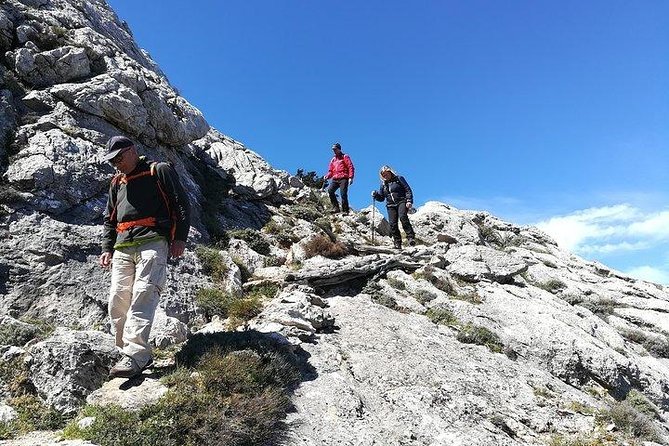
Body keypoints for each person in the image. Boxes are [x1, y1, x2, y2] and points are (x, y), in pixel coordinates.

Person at [98, 136, 190, 378]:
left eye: (119, 158)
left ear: (132, 151)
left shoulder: (158, 170)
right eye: (112, 161)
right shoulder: (117, 182)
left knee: (143, 296)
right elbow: (110, 218)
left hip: (153, 242)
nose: (117, 164)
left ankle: (136, 355)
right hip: (122, 246)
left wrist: (179, 237)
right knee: (117, 300)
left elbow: (181, 203)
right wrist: (107, 247)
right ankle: (127, 353)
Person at [372, 165, 416, 249]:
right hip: (390, 205)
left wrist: (409, 201)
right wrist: (376, 195)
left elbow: (407, 190)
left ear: (390, 172)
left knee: (403, 217)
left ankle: (410, 238)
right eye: (383, 175)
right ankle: (397, 243)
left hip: (401, 201)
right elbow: (381, 198)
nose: (385, 176)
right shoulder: (383, 185)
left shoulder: (399, 179)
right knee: (392, 224)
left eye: (386, 173)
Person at [323, 142, 355, 215]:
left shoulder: (345, 157)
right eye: (333, 149)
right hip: (335, 178)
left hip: (344, 177)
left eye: (335, 149)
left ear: (339, 149)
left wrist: (351, 177)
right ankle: (336, 208)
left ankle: (345, 210)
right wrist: (327, 176)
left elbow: (350, 167)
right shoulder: (333, 160)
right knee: (330, 191)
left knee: (343, 193)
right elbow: (331, 171)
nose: (334, 150)